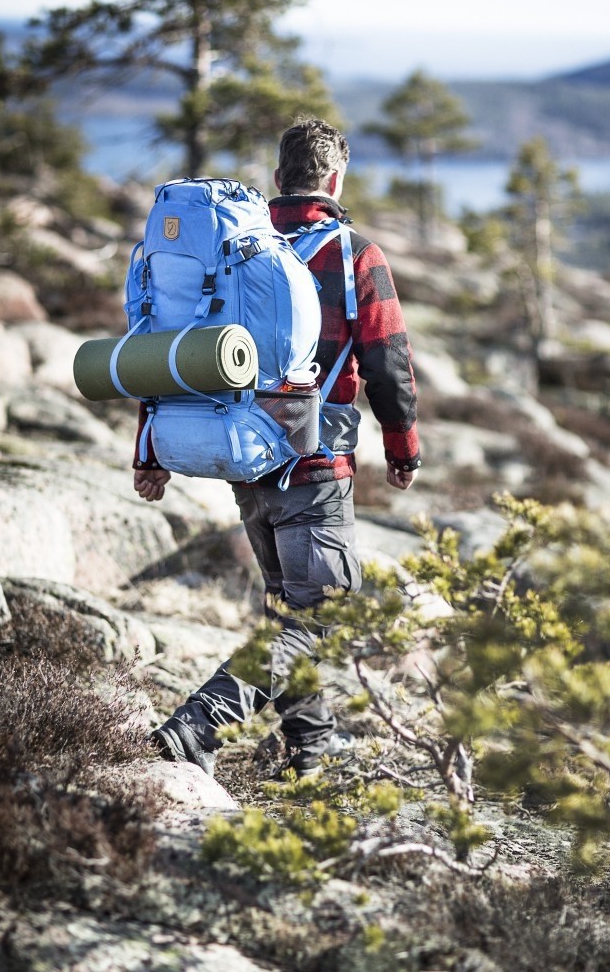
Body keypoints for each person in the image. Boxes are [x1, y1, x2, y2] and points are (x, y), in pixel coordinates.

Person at [136, 118, 421, 778]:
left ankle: (306, 757)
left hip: (243, 457)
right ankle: (193, 728)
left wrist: (149, 449)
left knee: (289, 612)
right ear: (334, 178)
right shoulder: (353, 253)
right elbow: (388, 361)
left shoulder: (234, 250)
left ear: (276, 180)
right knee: (318, 621)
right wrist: (402, 447)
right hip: (315, 466)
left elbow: (174, 350)